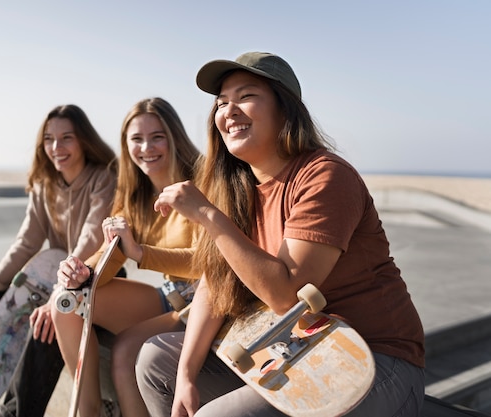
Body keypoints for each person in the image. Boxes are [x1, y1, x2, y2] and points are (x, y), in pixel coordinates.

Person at [136, 52, 426, 417]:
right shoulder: (236, 187)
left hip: (373, 359)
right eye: (222, 102)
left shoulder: (325, 176)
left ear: (285, 108)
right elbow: (216, 281)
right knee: (157, 360)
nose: (229, 110)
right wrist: (187, 375)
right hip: (294, 351)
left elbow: (287, 296)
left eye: (246, 96)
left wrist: (209, 215)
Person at [0, 104, 118, 417]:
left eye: (66, 138)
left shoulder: (103, 179)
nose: (57, 148)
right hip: (51, 277)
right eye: (49, 139)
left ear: (83, 140)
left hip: (94, 276)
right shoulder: (45, 185)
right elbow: (26, 242)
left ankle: (15, 412)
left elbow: (90, 238)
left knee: (46, 326)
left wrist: (60, 294)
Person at [51, 97, 201, 417]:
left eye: (157, 136)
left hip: (205, 303)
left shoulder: (201, 183)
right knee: (66, 301)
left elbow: (207, 261)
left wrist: (142, 253)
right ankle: (86, 411)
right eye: (136, 139)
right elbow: (111, 254)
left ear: (175, 136)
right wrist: (82, 272)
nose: (146, 147)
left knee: (125, 350)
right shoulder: (135, 194)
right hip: (169, 298)